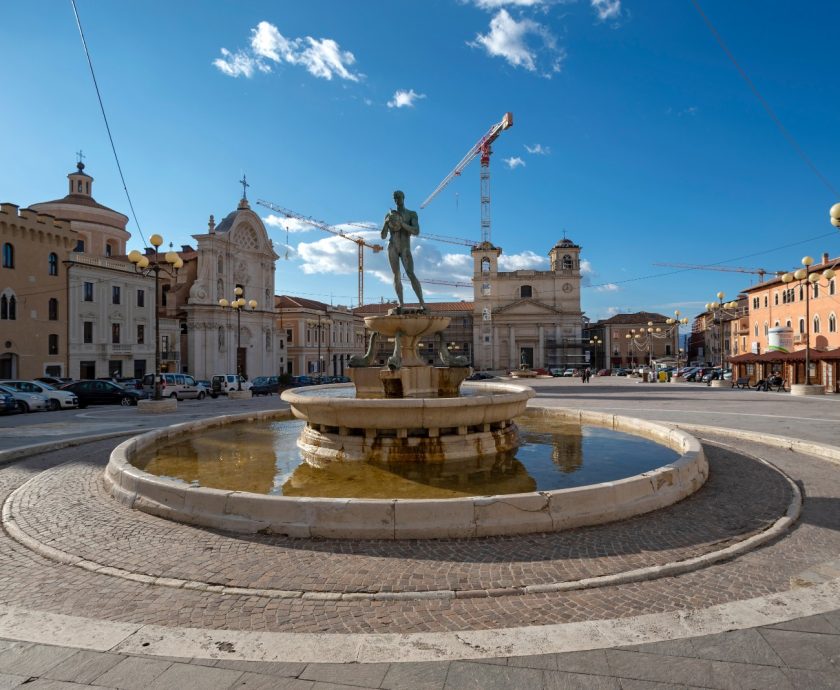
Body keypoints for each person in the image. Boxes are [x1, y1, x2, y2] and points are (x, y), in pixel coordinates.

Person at [382, 190, 426, 312]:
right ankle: (401, 303)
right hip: (393, 247)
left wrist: (402, 224)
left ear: (404, 198)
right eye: (395, 198)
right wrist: (386, 224)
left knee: (411, 274)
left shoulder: (411, 214)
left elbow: (416, 231)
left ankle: (422, 302)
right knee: (396, 276)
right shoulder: (389, 215)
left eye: (399, 197)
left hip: (405, 248)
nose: (397, 200)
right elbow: (383, 236)